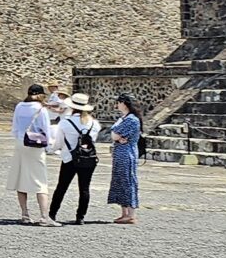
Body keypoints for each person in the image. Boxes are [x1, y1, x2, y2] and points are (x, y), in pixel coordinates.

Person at [52, 93, 101, 223]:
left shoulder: (65, 123)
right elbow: (92, 141)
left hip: (69, 158)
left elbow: (59, 143)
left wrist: (52, 149)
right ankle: (80, 217)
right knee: (84, 188)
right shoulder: (94, 124)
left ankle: (52, 214)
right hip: (88, 158)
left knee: (61, 187)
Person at [9, 83, 54, 225]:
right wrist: (50, 147)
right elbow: (46, 129)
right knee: (40, 180)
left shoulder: (19, 106)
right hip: (35, 144)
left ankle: (25, 213)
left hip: (20, 143)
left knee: (21, 179)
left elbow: (15, 128)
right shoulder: (41, 109)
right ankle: (43, 215)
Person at [107, 94, 144, 224]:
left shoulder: (132, 120)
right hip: (120, 152)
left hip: (126, 153)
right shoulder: (124, 118)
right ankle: (124, 212)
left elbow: (115, 135)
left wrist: (117, 136)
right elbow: (115, 135)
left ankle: (131, 214)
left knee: (128, 180)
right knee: (120, 181)